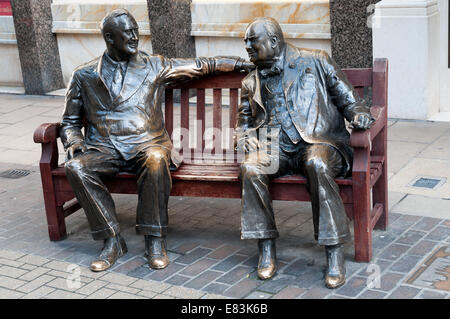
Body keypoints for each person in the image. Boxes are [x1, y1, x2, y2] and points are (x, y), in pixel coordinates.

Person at [60, 9, 253, 272]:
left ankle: (155, 239)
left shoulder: (154, 65)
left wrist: (242, 64)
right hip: (103, 147)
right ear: (109, 37)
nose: (134, 36)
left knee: (155, 159)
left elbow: (201, 65)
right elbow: (69, 122)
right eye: (126, 32)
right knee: (76, 167)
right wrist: (73, 141)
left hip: (147, 143)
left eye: (135, 30)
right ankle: (112, 240)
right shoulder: (85, 75)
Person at [235, 17, 373, 288]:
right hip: (276, 146)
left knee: (317, 164)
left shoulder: (317, 60)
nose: (248, 47)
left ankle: (334, 252)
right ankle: (265, 247)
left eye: (253, 41)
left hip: (319, 141)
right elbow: (243, 122)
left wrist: (358, 114)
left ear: (273, 41)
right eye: (246, 43)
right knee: (251, 167)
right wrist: (244, 136)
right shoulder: (251, 81)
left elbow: (348, 98)